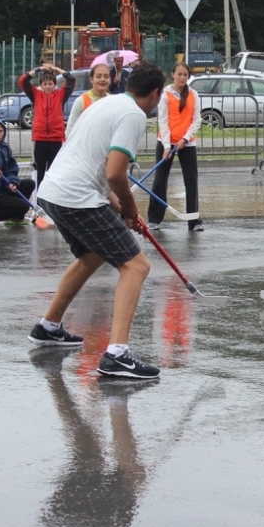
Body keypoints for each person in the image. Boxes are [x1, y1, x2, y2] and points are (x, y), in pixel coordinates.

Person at [32, 61, 166, 380]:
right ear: (155, 94)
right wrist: (130, 209)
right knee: (136, 266)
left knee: (92, 255)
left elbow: (98, 171)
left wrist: (123, 208)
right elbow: (115, 173)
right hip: (76, 196)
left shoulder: (108, 103)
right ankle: (117, 355)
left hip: (53, 191)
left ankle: (48, 326)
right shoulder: (134, 115)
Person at [148, 62, 202, 231]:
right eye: (179, 74)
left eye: (185, 75)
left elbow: (197, 120)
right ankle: (154, 219)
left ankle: (194, 220)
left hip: (187, 143)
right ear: (173, 74)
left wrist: (185, 139)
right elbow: (163, 121)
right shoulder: (165, 94)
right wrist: (166, 145)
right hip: (166, 142)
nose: (182, 77)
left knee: (191, 180)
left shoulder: (193, 94)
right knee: (160, 180)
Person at [18, 63, 76, 190]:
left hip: (55, 138)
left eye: (50, 84)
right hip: (40, 138)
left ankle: (51, 195)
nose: (48, 86)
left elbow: (71, 79)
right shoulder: (36, 95)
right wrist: (39, 69)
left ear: (55, 84)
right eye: (45, 84)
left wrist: (57, 69)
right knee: (39, 171)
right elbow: (23, 81)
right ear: (41, 85)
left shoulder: (60, 95)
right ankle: (38, 196)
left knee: (53, 171)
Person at [65, 62, 112, 136]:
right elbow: (71, 128)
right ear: (91, 79)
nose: (102, 79)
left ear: (110, 80)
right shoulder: (81, 101)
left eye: (106, 77)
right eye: (98, 76)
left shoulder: (112, 101)